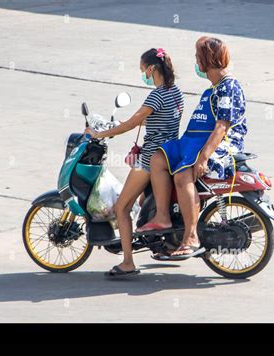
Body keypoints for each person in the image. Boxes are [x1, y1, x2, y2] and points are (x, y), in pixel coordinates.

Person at [137, 36, 248, 260]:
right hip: (192, 142)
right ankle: (163, 218)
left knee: (181, 175)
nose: (196, 62)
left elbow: (221, 128)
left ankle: (191, 237)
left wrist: (204, 158)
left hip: (220, 144)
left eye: (198, 58)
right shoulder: (212, 89)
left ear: (208, 60)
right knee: (158, 159)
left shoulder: (229, 87)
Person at [84, 48, 184, 276]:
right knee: (139, 201)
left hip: (150, 158)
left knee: (122, 207)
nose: (143, 75)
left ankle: (127, 262)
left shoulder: (156, 95)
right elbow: (156, 120)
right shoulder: (175, 92)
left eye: (142, 70)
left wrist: (99, 135)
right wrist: (121, 122)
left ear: (151, 69)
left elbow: (132, 124)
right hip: (171, 152)